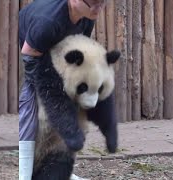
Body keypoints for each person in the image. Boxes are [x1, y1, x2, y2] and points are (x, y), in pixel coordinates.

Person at [19, 0, 108, 179]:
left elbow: (77, 47)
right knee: (31, 105)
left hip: (57, 49)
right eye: (93, 3)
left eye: (102, 3)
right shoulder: (47, 22)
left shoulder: (88, 16)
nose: (98, 9)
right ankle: (24, 175)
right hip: (33, 48)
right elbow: (28, 55)